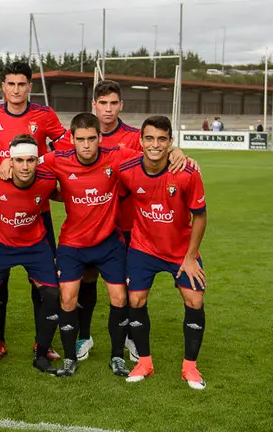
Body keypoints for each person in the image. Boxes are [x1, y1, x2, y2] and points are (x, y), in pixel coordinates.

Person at [2, 113, 143, 378]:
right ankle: (69, 359)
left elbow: (152, 153)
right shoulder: (58, 159)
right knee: (67, 299)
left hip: (109, 243)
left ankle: (116, 357)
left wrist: (180, 153)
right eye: (81, 139)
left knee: (120, 298)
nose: (87, 145)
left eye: (92, 139)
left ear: (100, 138)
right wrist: (5, 162)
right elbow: (29, 161)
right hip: (72, 244)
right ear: (72, 140)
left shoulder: (116, 155)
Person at [75, 80, 193, 363]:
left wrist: (177, 153)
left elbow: (156, 156)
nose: (108, 109)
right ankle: (83, 335)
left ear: (121, 105)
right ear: (94, 105)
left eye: (113, 103)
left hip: (130, 227)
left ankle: (131, 336)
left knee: (130, 287)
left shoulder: (132, 136)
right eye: (102, 103)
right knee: (87, 279)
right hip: (92, 225)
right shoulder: (83, 135)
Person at [0, 61, 67, 362]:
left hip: (36, 208)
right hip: (2, 206)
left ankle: (44, 342)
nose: (16, 90)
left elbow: (66, 146)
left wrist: (41, 163)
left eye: (22, 84)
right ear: (3, 86)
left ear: (30, 86)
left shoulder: (44, 114)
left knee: (42, 282)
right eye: (11, 84)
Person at [117, 116, 208, 390]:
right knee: (135, 300)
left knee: (194, 300)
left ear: (170, 142)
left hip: (180, 251)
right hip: (143, 248)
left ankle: (190, 368)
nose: (155, 145)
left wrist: (190, 257)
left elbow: (200, 217)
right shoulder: (127, 169)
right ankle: (145, 362)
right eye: (149, 138)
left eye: (161, 139)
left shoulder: (187, 174)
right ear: (141, 140)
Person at [0, 134, 61, 375]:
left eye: (30, 160)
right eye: (19, 160)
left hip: (34, 243)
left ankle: (41, 354)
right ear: (10, 161)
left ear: (37, 161)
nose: (25, 166)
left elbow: (69, 169)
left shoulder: (47, 178)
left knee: (52, 294)